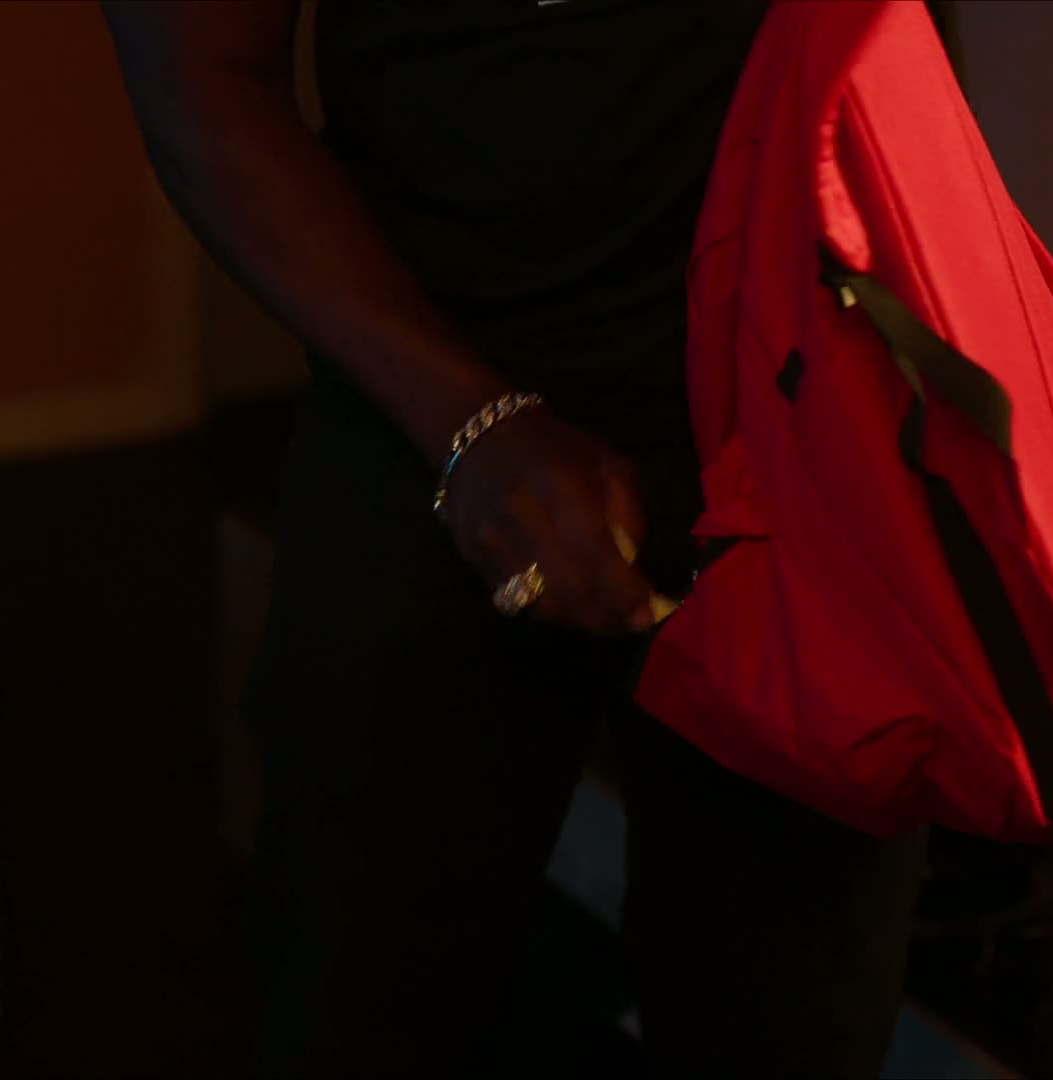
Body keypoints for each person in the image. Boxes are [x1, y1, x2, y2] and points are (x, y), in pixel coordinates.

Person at [101, 3, 929, 1076]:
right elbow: (198, 81)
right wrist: (471, 424)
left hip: (806, 416)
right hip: (437, 416)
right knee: (368, 996)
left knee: (795, 1018)